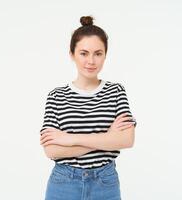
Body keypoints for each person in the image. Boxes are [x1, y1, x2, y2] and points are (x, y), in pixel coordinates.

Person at [39, 15, 137, 200]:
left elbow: (126, 139)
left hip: (105, 183)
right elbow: (52, 150)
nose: (91, 61)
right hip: (64, 183)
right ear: (72, 54)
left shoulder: (116, 91)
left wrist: (69, 139)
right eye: (84, 53)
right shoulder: (56, 96)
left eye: (98, 53)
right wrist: (108, 138)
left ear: (105, 55)